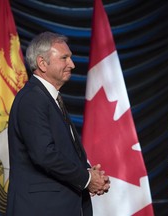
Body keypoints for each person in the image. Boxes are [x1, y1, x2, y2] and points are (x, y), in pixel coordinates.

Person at [6, 31, 110, 216]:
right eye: (64, 58)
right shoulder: (32, 99)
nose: (72, 64)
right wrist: (86, 179)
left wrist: (89, 173)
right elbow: (44, 154)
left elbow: (62, 151)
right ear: (42, 63)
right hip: (41, 209)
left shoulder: (48, 98)